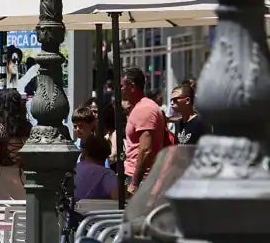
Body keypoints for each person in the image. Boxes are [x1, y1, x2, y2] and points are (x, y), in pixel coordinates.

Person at [120, 66, 168, 195]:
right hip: (136, 176)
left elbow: (145, 149)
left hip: (142, 180)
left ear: (132, 86)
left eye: (121, 86)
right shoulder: (139, 107)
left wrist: (135, 183)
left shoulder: (144, 109)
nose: (119, 90)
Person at [75, 134, 119, 201]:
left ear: (84, 152)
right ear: (106, 156)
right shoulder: (107, 174)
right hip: (95, 210)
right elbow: (117, 198)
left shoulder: (75, 169)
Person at [171, 79, 210, 145]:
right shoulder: (178, 124)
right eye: (171, 100)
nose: (172, 103)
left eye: (175, 99)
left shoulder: (201, 123)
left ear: (187, 100)